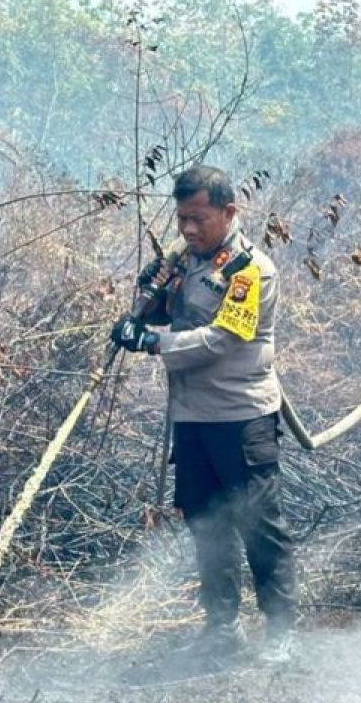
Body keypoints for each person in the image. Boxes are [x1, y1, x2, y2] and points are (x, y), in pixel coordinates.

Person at [110, 165, 296, 664]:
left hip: (241, 416)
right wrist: (140, 314)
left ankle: (280, 632)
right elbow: (163, 312)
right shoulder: (185, 260)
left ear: (228, 212)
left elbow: (222, 339)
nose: (189, 229)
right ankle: (222, 626)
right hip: (192, 417)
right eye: (182, 219)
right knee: (206, 522)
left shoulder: (248, 270)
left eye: (199, 219)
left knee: (259, 522)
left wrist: (155, 343)